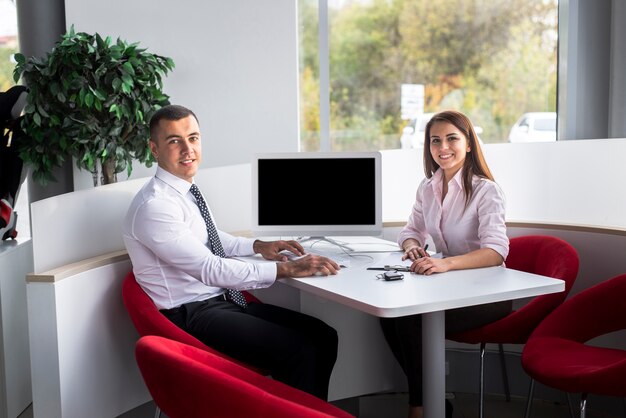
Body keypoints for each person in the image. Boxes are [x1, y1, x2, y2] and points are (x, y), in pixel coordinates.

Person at [122, 104, 340, 400]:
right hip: (191, 314)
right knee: (300, 350)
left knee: (324, 337)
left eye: (193, 138)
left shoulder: (184, 191)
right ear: (154, 149)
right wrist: (287, 269)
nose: (188, 149)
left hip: (219, 301)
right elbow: (210, 268)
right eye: (174, 141)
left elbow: (210, 239)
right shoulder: (155, 207)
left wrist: (258, 246)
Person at [380, 110, 510, 418]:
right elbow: (411, 231)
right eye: (435, 141)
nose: (443, 147)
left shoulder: (486, 191)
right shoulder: (428, 187)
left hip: (489, 295)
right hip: (450, 289)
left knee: (411, 319)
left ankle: (420, 407)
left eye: (452, 138)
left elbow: (496, 251)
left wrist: (446, 264)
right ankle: (434, 401)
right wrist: (413, 246)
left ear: (468, 144)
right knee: (389, 316)